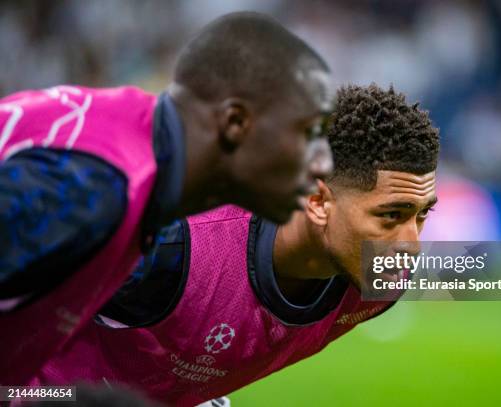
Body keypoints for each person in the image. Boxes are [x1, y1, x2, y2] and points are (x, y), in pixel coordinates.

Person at [30, 84, 439, 406]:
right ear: (317, 201)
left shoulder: (380, 277)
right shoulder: (173, 244)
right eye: (391, 215)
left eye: (422, 214)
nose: (411, 244)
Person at [0, 12, 333, 386]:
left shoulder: (132, 151)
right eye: (307, 132)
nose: (324, 161)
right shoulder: (93, 189)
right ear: (236, 123)